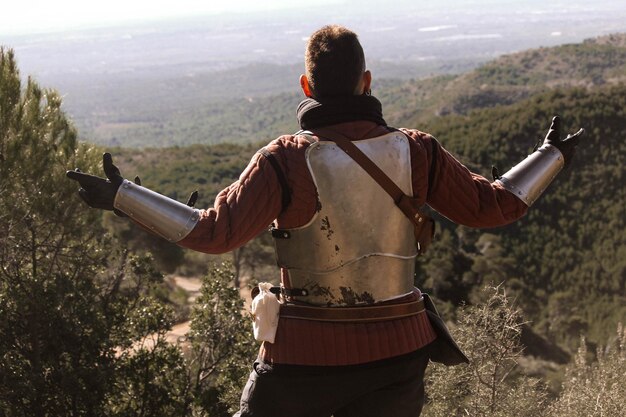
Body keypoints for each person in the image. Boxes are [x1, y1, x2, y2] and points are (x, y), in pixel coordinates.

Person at [67, 25, 583, 417]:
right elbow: (496, 205)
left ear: (306, 85)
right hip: (399, 353)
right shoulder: (418, 151)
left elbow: (212, 232)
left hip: (302, 361)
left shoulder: (284, 160)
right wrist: (550, 156)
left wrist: (123, 196)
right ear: (366, 82)